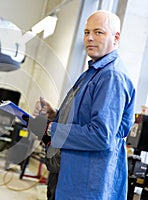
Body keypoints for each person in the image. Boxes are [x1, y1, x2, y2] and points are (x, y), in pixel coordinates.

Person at [33, 10, 135, 199]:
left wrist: (51, 129)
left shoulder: (111, 76)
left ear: (116, 37)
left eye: (98, 32)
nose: (89, 38)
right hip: (70, 174)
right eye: (87, 32)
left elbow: (100, 135)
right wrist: (56, 115)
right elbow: (83, 117)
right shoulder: (94, 71)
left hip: (87, 183)